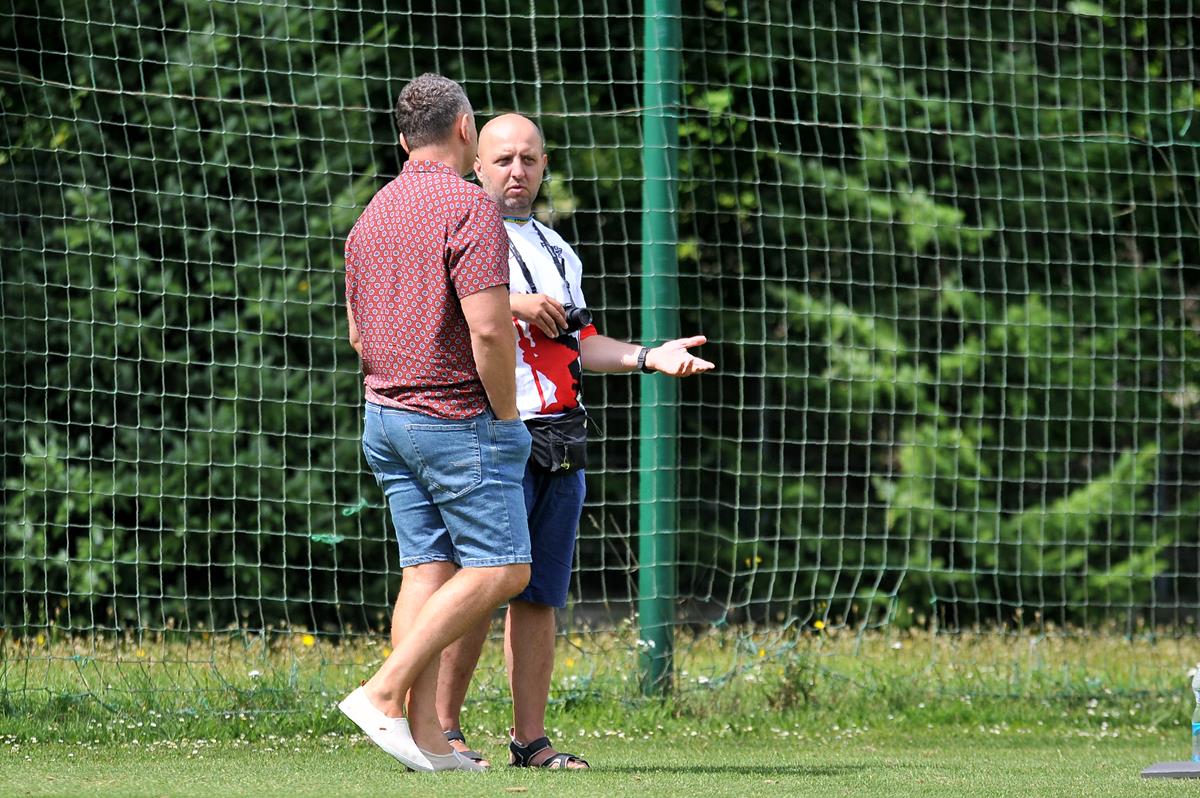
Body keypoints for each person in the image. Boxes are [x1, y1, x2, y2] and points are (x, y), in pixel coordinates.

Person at [432, 113, 714, 769]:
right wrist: (514, 304)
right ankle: (442, 732)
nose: (517, 171)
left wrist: (649, 356)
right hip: (489, 431)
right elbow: (440, 312)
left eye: (529, 159)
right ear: (477, 164)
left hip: (560, 436)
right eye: (504, 158)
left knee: (540, 596)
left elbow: (581, 344)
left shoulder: (558, 250)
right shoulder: (456, 229)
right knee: (479, 587)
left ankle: (529, 741)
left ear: (544, 166)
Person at [338, 75, 534, 773]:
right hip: (452, 419)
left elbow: (358, 336)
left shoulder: (371, 215)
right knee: (504, 566)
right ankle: (382, 691)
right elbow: (490, 330)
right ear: (463, 130)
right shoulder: (469, 207)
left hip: (383, 418)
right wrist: (506, 418)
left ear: (402, 140)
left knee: (426, 569)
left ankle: (424, 737)